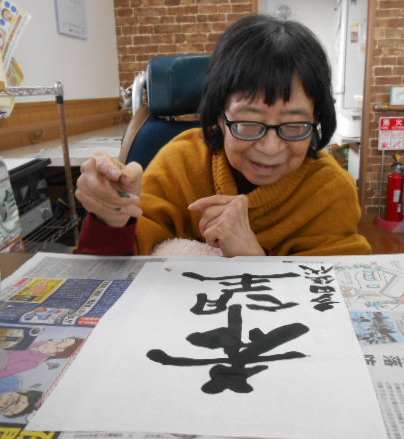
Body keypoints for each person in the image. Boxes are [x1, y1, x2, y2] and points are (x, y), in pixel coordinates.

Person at [75, 14, 371, 257]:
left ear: (316, 120)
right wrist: (111, 216)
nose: (270, 148)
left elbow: (335, 290)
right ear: (220, 115)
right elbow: (115, 266)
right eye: (249, 123)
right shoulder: (180, 162)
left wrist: (251, 255)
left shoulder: (330, 188)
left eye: (294, 126)